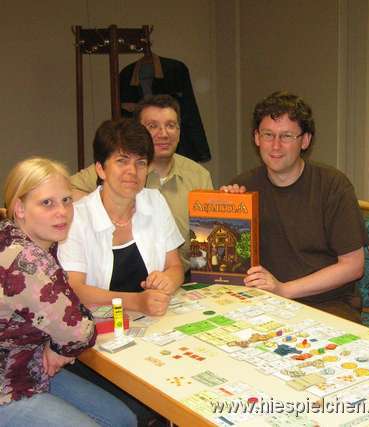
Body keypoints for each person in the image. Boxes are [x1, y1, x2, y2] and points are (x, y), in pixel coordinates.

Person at [0, 157, 136, 427]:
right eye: (47, 203)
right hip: (8, 387)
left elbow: (69, 308)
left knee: (122, 419)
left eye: (66, 200)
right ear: (20, 208)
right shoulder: (26, 261)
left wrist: (59, 346)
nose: (62, 212)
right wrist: (63, 347)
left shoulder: (17, 235)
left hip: (27, 364)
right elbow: (79, 333)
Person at [222, 91, 367, 322]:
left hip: (326, 304)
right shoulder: (242, 187)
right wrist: (228, 215)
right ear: (256, 138)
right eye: (268, 135)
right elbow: (228, 263)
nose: (275, 146)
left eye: (287, 136)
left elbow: (353, 266)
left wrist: (284, 289)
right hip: (261, 301)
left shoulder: (332, 185)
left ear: (305, 140)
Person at [70, 94, 213, 275]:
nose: (163, 134)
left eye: (170, 125)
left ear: (179, 131)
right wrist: (99, 206)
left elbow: (209, 236)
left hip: (183, 276)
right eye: (153, 126)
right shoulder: (118, 169)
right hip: (128, 277)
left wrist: (230, 200)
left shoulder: (199, 176)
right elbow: (63, 192)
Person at [59, 118, 184, 316]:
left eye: (140, 163)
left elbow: (175, 266)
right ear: (100, 169)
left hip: (152, 317)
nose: (132, 171)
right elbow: (74, 289)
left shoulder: (155, 201)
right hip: (98, 324)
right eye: (122, 161)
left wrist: (168, 279)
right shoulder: (77, 217)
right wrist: (136, 302)